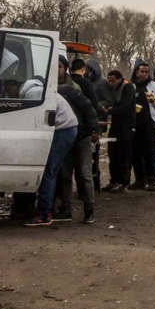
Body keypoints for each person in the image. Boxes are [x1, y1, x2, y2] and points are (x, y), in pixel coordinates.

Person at [24, 93, 79, 227]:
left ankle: (44, 214)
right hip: (68, 129)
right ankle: (47, 209)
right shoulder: (40, 90)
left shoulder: (32, 94)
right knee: (51, 172)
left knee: (48, 171)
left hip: (62, 130)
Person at [54, 73, 100, 224]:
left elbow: (88, 108)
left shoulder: (70, 90)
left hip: (81, 136)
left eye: (60, 66)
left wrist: (95, 130)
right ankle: (66, 209)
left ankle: (89, 210)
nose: (56, 70)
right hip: (65, 137)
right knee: (65, 174)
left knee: (84, 173)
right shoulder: (51, 91)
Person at [130, 59, 155, 192]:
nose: (144, 74)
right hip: (134, 123)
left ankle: (151, 179)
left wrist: (153, 100)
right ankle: (139, 179)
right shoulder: (131, 86)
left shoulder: (154, 86)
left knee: (149, 152)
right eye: (142, 71)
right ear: (136, 72)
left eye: (146, 72)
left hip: (149, 123)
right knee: (135, 153)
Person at [70, 58, 103, 194]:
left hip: (66, 126)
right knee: (84, 164)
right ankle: (84, 191)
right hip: (83, 128)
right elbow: (93, 105)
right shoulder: (86, 84)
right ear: (83, 69)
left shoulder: (65, 82)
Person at [104, 70, 136, 194]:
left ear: (119, 79)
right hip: (115, 125)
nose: (111, 83)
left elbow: (124, 107)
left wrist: (109, 111)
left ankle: (123, 182)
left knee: (123, 155)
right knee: (112, 154)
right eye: (109, 81)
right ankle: (114, 180)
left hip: (126, 126)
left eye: (112, 81)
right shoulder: (113, 89)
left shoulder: (127, 88)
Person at [86, 59, 111, 193]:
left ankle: (96, 185)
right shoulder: (88, 82)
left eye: (90, 70)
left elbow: (109, 100)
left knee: (94, 155)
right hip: (88, 122)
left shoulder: (102, 83)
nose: (88, 72)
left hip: (98, 123)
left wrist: (95, 104)